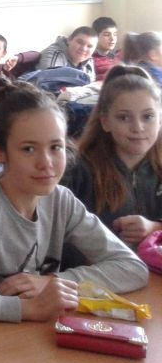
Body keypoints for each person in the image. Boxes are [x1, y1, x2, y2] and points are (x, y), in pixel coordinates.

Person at [0, 79, 148, 323]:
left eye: (55, 147)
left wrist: (51, 282)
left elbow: (132, 268)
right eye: (28, 149)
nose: (45, 163)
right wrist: (27, 308)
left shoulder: (62, 201)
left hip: (32, 335)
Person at [62, 65, 162, 244]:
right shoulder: (78, 171)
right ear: (105, 122)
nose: (138, 127)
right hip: (99, 261)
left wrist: (154, 228)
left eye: (148, 117)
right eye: (124, 117)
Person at [91, 16, 120, 81]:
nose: (112, 38)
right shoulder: (90, 58)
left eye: (115, 34)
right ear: (96, 36)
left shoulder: (118, 56)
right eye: (107, 35)